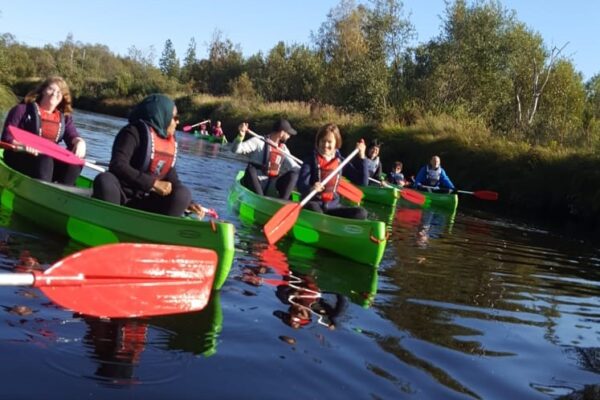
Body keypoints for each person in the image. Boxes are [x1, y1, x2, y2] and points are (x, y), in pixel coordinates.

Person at [92, 93, 206, 217]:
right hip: (120, 195)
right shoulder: (132, 132)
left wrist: (189, 203)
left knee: (183, 194)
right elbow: (117, 165)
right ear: (162, 115)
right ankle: (110, 219)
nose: (178, 121)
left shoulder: (167, 142)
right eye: (175, 117)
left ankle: (161, 228)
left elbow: (171, 178)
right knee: (104, 180)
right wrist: (153, 184)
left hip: (145, 200)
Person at [1, 76, 87, 185]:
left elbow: (72, 136)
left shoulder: (65, 118)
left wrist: (80, 142)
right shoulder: (21, 110)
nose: (54, 93)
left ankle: (65, 189)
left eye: (59, 91)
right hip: (20, 155)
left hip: (46, 163)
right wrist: (23, 146)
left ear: (63, 97)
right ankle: (43, 190)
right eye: (51, 89)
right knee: (45, 159)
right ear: (43, 91)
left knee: (77, 157)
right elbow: (6, 137)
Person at [297, 123, 368, 219]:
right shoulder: (310, 160)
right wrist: (311, 188)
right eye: (323, 141)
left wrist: (362, 156)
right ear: (318, 142)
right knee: (314, 208)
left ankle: (330, 222)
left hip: (333, 207)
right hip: (313, 203)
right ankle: (321, 222)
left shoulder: (340, 162)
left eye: (329, 142)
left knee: (361, 213)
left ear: (336, 143)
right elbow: (301, 185)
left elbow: (362, 181)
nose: (325, 145)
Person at [232, 119, 300, 200]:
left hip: (271, 184)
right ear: (281, 133)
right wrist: (240, 137)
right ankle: (259, 199)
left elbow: (295, 168)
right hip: (255, 181)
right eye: (288, 133)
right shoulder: (258, 141)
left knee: (294, 173)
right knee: (251, 169)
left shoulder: (284, 149)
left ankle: (282, 203)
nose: (289, 136)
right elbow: (235, 150)